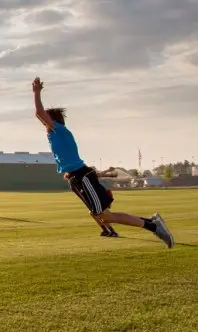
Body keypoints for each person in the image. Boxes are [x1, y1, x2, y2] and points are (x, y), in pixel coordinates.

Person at [32, 78, 173, 247]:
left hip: (82, 177)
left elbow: (39, 113)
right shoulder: (56, 135)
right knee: (101, 216)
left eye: (46, 120)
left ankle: (153, 225)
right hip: (76, 179)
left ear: (52, 121)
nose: (42, 122)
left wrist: (36, 92)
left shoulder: (59, 130)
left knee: (105, 216)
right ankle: (152, 223)